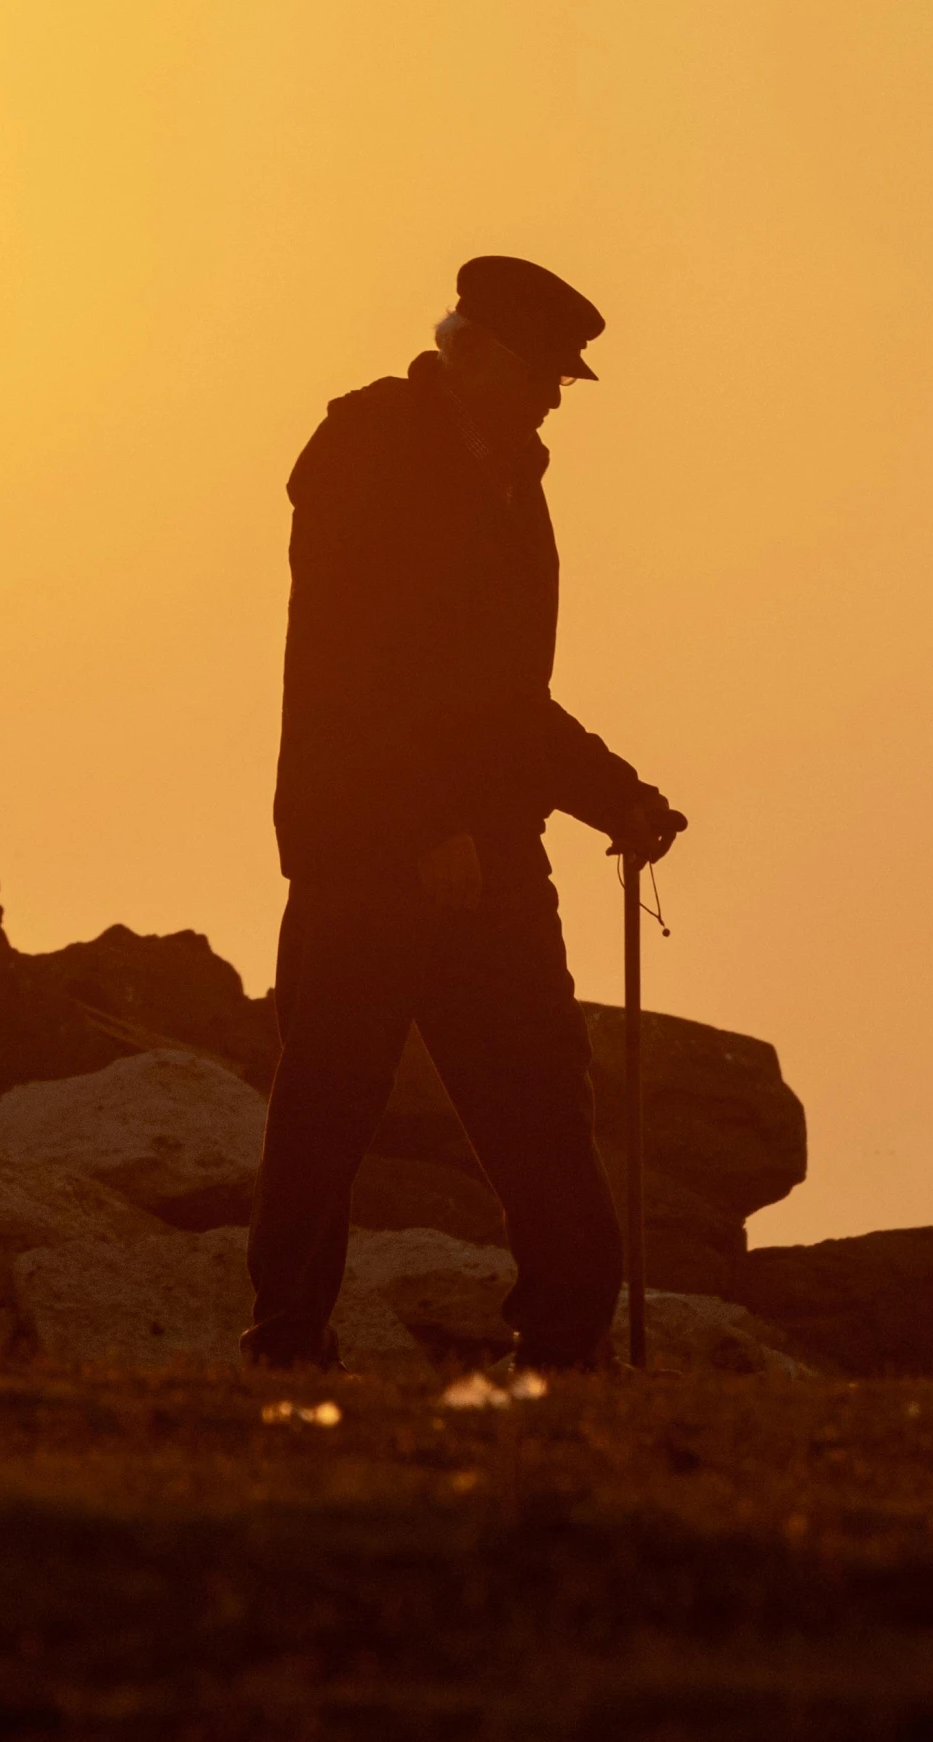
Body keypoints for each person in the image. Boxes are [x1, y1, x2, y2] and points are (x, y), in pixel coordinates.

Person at [243, 254, 686, 1371]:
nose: (554, 395)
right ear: (477, 349)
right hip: (365, 854)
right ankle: (286, 1347)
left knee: (540, 1098)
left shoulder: (511, 478)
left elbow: (498, 695)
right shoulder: (365, 450)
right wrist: (421, 820)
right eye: (543, 372)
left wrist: (611, 794)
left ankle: (560, 1354)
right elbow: (358, 661)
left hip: (491, 856)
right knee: (329, 1110)